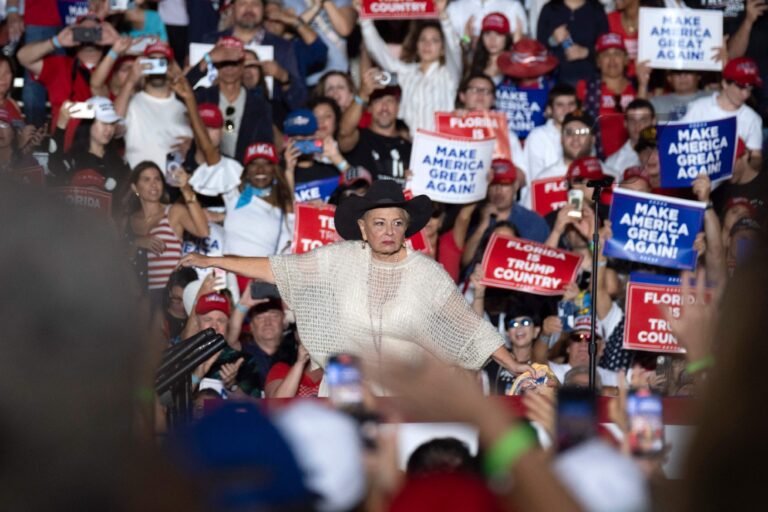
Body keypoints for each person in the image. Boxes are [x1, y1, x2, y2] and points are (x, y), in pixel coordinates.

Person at [180, 180, 533, 394]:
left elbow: (470, 328)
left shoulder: (428, 273)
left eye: (397, 223)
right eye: (379, 223)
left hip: (406, 399)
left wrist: (512, 364)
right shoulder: (339, 258)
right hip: (343, 397)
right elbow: (275, 267)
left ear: (407, 228)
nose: (389, 231)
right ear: (363, 229)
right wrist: (215, 260)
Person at [358, 0, 462, 136]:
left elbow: (454, 50)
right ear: (416, 45)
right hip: (410, 148)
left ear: (443, 49)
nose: (427, 44)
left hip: (439, 149)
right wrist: (365, 18)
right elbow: (379, 53)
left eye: (434, 40)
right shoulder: (406, 73)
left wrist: (443, 17)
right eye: (423, 39)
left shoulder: (449, 74)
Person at [16, 13, 120, 149]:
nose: (88, 36)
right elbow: (23, 57)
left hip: (105, 153)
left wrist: (118, 42)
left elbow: (147, 60)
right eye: (82, 31)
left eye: (95, 31)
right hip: (65, 152)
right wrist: (56, 41)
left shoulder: (117, 67)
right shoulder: (61, 66)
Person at [126, 162, 209, 304]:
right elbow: (116, 259)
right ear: (135, 187)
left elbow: (203, 231)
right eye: (147, 179)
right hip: (134, 299)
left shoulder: (173, 212)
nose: (154, 184)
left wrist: (186, 189)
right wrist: (137, 243)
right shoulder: (126, 220)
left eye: (157, 179)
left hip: (168, 299)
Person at [188, 37, 276, 162]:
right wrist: (208, 58)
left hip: (242, 174)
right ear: (216, 65)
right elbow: (180, 90)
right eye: (224, 63)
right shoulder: (203, 97)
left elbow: (264, 145)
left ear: (242, 66)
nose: (229, 69)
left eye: (234, 63)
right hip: (206, 170)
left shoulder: (260, 106)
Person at [202, 0, 306, 105]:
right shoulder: (211, 41)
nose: (249, 9)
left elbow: (299, 101)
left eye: (255, 4)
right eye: (243, 3)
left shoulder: (282, 47)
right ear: (232, 8)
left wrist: (283, 76)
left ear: (264, 10)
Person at [116, 41, 193, 170]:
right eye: (152, 62)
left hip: (174, 184)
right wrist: (130, 80)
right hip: (137, 184)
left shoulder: (185, 105)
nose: (157, 67)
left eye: (162, 62)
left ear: (171, 67)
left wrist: (193, 148)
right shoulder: (130, 103)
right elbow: (113, 126)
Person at [680, 57, 763, 173]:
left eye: (750, 89)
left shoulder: (752, 119)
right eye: (740, 87)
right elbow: (679, 143)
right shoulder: (698, 108)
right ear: (724, 84)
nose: (745, 94)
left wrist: (746, 162)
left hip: (731, 183)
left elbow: (756, 155)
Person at [576, 32, 644, 160]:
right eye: (606, 54)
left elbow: (645, 120)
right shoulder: (585, 88)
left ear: (625, 60)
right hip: (598, 161)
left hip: (636, 160)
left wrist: (643, 84)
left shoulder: (638, 86)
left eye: (617, 54)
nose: (612, 60)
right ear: (598, 61)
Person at [340, 72, 411, 186]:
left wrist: (415, 182)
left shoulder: (411, 149)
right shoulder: (359, 139)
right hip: (366, 203)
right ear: (369, 108)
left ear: (398, 108)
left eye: (390, 101)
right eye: (378, 101)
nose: (384, 107)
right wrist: (362, 95)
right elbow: (344, 132)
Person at [47, 97, 129, 195]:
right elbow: (55, 166)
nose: (109, 129)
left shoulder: (118, 163)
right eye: (104, 123)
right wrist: (61, 123)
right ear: (89, 124)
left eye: (112, 124)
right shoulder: (74, 158)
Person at [520, 110, 597, 208]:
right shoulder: (543, 179)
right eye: (569, 132)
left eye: (582, 132)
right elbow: (527, 219)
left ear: (593, 139)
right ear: (561, 138)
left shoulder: (609, 177)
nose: (575, 138)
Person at [280, 0, 356, 85]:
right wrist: (315, 8)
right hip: (309, 77)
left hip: (339, 73)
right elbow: (285, 34)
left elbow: (344, 29)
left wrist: (326, 2)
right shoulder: (288, 2)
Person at [536, 0, 608, 86]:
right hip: (555, 82)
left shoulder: (596, 9)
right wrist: (553, 40)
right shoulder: (550, 9)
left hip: (590, 81)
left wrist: (586, 52)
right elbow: (538, 49)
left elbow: (606, 47)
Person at [522, 83, 579, 189]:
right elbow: (535, 181)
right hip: (543, 197)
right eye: (560, 105)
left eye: (571, 104)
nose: (566, 110)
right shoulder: (537, 137)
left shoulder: (583, 135)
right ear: (549, 110)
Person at [262, 0, 329, 83]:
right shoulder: (253, 43)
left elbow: (320, 53)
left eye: (278, 18)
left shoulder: (294, 48)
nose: (272, 22)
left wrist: (295, 21)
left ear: (286, 22)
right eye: (267, 17)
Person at [711, 139, 767, 222]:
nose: (726, 171)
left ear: (745, 155)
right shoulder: (719, 194)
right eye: (722, 166)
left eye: (729, 164)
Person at [604, 98, 655, 178]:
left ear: (653, 121)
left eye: (643, 120)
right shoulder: (612, 163)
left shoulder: (667, 154)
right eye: (632, 120)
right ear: (625, 124)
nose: (637, 126)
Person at [447, 0, 527, 43]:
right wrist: (467, 39)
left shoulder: (514, 7)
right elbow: (452, 50)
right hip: (466, 68)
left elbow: (521, 45)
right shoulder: (455, 7)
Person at [467, 12, 514, 84]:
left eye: (498, 34)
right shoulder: (473, 62)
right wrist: (466, 38)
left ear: (507, 37)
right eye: (487, 33)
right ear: (481, 37)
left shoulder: (515, 64)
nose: (492, 40)